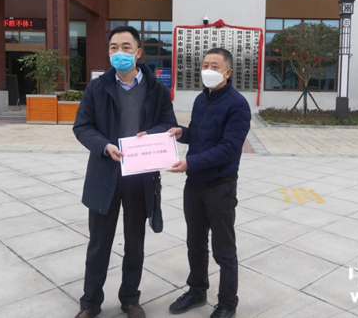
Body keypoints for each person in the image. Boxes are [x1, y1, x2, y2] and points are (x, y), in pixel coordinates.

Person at [73, 26, 177, 318]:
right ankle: (90, 303)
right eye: (114, 47)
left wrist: (151, 135)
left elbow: (168, 124)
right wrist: (105, 146)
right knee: (99, 244)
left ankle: (130, 298)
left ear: (138, 52)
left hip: (139, 176)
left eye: (126, 47)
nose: (119, 53)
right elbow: (82, 126)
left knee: (135, 243)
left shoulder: (156, 89)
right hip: (104, 175)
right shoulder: (97, 88)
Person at [167, 48, 251, 318]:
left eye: (215, 66)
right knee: (195, 242)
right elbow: (199, 134)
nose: (208, 70)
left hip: (220, 186)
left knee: (223, 248)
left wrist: (190, 163)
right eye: (205, 65)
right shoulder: (201, 100)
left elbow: (228, 148)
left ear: (228, 72)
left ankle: (228, 303)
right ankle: (197, 290)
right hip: (194, 185)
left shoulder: (238, 105)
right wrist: (182, 133)